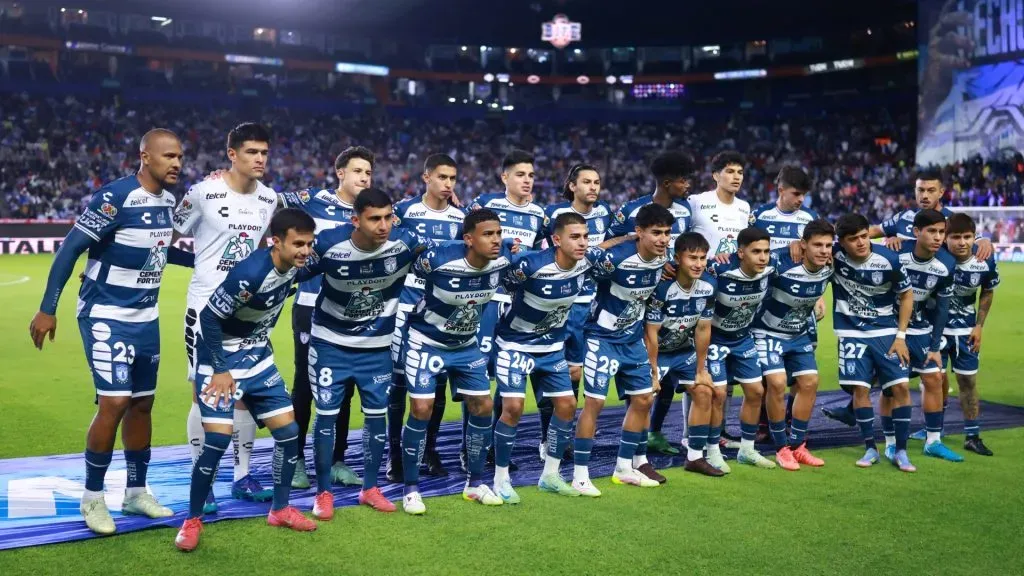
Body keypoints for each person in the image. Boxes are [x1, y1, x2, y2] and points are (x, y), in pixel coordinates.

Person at [29, 129, 187, 535]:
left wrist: (206, 264)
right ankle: (93, 499)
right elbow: (70, 248)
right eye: (168, 156)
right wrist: (48, 309)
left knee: (142, 405)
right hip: (104, 313)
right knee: (114, 402)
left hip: (145, 317)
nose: (176, 163)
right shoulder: (115, 197)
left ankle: (136, 492)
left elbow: (159, 250)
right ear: (145, 157)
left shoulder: (169, 201)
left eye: (180, 157)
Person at [175, 208, 318, 551]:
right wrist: (221, 370)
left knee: (288, 431)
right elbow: (208, 318)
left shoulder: (299, 263)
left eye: (309, 244)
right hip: (219, 359)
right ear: (276, 241)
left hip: (258, 356)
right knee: (218, 440)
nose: (305, 251)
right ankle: (193, 519)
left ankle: (280, 509)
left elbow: (333, 251)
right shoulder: (251, 275)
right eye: (298, 244)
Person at [299, 187, 432, 519]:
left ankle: (370, 488)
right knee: (326, 417)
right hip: (330, 344)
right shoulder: (329, 243)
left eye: (388, 217)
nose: (383, 225)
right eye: (374, 219)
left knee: (376, 420)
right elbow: (289, 269)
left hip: (377, 348)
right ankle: (323, 492)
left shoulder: (406, 242)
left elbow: (440, 262)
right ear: (355, 219)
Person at [175, 123, 278, 509]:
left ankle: (242, 475)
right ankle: (203, 479)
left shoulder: (270, 198)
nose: (260, 159)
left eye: (264, 153)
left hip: (248, 310)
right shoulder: (204, 192)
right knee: (205, 394)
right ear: (232, 154)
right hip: (204, 307)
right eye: (252, 152)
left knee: (243, 395)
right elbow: (166, 232)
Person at [397, 209, 514, 514]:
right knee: (421, 408)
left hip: (465, 345)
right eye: (488, 234)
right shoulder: (439, 259)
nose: (496, 240)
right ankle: (411, 489)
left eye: (499, 233)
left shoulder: (504, 260)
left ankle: (475, 484)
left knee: (484, 406)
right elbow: (403, 264)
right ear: (468, 239)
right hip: (426, 341)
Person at [283, 146, 374, 489]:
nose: (364, 178)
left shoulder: (371, 212)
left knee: (345, 385)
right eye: (358, 171)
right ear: (340, 173)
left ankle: (337, 460)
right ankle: (295, 462)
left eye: (368, 172)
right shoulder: (313, 200)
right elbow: (268, 200)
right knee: (305, 386)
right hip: (310, 304)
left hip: (351, 311)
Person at [492, 212, 594, 502]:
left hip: (550, 347)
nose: (583, 242)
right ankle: (500, 479)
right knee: (512, 407)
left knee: (566, 404)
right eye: (575, 237)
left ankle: (550, 474)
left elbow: (612, 249)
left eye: (585, 236)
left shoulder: (586, 262)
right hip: (515, 343)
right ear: (556, 239)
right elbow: (499, 278)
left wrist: (632, 237)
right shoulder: (531, 263)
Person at [572, 204, 673, 495]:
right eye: (656, 233)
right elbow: (587, 254)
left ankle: (623, 467)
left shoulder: (662, 257)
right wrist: (623, 238)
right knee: (595, 403)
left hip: (631, 340)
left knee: (643, 400)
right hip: (600, 338)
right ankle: (580, 475)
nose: (663, 239)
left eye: (666, 233)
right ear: (639, 232)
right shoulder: (614, 259)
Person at [608, 150, 697, 456]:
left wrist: (676, 261)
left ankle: (655, 431)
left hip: (672, 297)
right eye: (684, 180)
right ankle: (637, 433)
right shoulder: (632, 210)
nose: (688, 185)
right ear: (668, 182)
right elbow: (609, 243)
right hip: (636, 296)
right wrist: (645, 251)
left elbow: (689, 246)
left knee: (669, 371)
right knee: (643, 366)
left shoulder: (685, 211)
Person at [387, 153, 465, 482]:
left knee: (438, 381)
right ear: (426, 178)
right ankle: (396, 457)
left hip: (444, 308)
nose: (448, 184)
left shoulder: (461, 218)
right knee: (401, 382)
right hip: (407, 304)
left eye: (452, 179)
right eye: (442, 177)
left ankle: (430, 451)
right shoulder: (403, 212)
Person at [468, 150, 547, 468]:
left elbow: (539, 254)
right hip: (487, 301)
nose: (527, 180)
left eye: (531, 175)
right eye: (520, 174)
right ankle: (470, 448)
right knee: (477, 379)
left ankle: (493, 449)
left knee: (507, 377)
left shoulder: (540, 214)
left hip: (519, 307)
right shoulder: (485, 204)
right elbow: (468, 244)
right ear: (505, 177)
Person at [830, 213, 917, 472]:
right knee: (860, 390)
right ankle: (870, 447)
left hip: (886, 332)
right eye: (853, 239)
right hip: (851, 333)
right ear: (842, 242)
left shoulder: (889, 259)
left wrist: (901, 336)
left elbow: (907, 295)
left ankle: (901, 451)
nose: (861, 243)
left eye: (864, 236)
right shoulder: (833, 254)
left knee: (900, 387)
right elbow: (808, 246)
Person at [539, 164, 613, 460]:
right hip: (562, 303)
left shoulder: (605, 213)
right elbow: (540, 250)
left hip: (593, 303)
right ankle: (548, 438)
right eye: (586, 182)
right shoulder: (554, 215)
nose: (593, 187)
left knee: (577, 371)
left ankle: (565, 433)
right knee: (556, 371)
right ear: (572, 186)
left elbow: (610, 246)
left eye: (597, 182)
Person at [750, 219, 834, 470]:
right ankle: (781, 447)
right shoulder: (780, 262)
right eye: (817, 245)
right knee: (776, 383)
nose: (824, 250)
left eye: (828, 245)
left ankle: (798, 445)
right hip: (767, 332)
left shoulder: (831, 263)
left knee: (809, 382)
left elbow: (862, 244)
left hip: (798, 334)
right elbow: (750, 261)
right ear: (803, 245)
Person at [750, 167, 824, 443]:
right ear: (780, 190)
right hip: (767, 300)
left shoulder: (810, 218)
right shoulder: (761, 216)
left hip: (802, 303)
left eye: (804, 195)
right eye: (796, 194)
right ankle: (764, 423)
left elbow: (818, 261)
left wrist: (818, 295)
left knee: (801, 368)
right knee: (769, 371)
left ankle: (791, 419)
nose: (800, 200)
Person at [643, 233, 724, 477]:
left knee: (704, 391)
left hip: (682, 350)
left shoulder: (709, 286)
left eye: (702, 258)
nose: (698, 264)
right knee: (644, 398)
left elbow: (702, 328)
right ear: (677, 258)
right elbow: (651, 333)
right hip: (655, 350)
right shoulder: (663, 287)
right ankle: (637, 459)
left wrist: (701, 369)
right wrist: (653, 371)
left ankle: (695, 457)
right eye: (692, 258)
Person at [882, 210, 958, 463]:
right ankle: (891, 443)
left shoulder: (946, 264)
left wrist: (936, 347)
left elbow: (943, 309)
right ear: (916, 232)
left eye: (942, 232)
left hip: (920, 328)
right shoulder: (896, 254)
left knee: (935, 378)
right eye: (932, 231)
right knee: (893, 386)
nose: (938, 238)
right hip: (889, 328)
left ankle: (933, 441)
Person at [705, 227, 778, 471]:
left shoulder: (771, 267)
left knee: (756, 391)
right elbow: (688, 270)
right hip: (714, 338)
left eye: (766, 251)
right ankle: (712, 450)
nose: (763, 257)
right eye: (756, 251)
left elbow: (799, 255)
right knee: (718, 394)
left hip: (742, 338)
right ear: (740, 252)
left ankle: (747, 450)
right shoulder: (720, 269)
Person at [941, 213, 998, 456]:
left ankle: (972, 435)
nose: (962, 242)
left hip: (966, 332)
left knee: (968, 382)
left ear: (975, 237)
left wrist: (979, 326)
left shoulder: (984, 260)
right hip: (936, 332)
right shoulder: (936, 257)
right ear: (945, 238)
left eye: (967, 237)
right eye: (955, 237)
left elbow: (987, 291)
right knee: (935, 382)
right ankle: (934, 432)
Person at [689, 151, 751, 258]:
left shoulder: (744, 207)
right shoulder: (696, 201)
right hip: (701, 271)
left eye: (740, 173)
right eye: (730, 171)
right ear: (716, 176)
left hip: (732, 272)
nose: (736, 177)